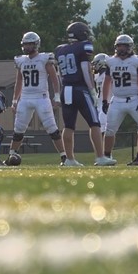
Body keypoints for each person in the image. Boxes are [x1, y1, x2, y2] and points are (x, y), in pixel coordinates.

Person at [54, 22, 116, 166]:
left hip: (66, 89)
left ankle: (69, 159)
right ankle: (100, 157)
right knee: (94, 123)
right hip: (80, 89)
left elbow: (59, 73)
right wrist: (92, 90)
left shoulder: (60, 50)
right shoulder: (83, 47)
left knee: (68, 125)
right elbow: (85, 70)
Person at [100, 34, 138, 164]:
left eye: (124, 46)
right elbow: (106, 82)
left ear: (130, 47)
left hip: (134, 99)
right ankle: (106, 156)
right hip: (117, 100)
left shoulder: (136, 61)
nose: (122, 49)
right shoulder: (111, 62)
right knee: (109, 129)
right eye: (119, 46)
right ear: (116, 47)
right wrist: (104, 100)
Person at [8, 32, 68, 165]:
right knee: (18, 129)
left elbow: (54, 78)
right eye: (26, 44)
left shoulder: (44, 58)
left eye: (30, 44)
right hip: (25, 97)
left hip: (41, 97)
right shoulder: (21, 60)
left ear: (36, 45)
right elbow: (19, 81)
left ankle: (64, 156)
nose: (27, 47)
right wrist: (14, 100)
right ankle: (11, 156)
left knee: (52, 128)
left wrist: (57, 96)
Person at [92, 53, 109, 136]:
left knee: (103, 129)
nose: (94, 66)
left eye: (95, 64)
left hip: (106, 104)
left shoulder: (109, 75)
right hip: (99, 105)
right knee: (99, 128)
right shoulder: (97, 76)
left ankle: (104, 148)